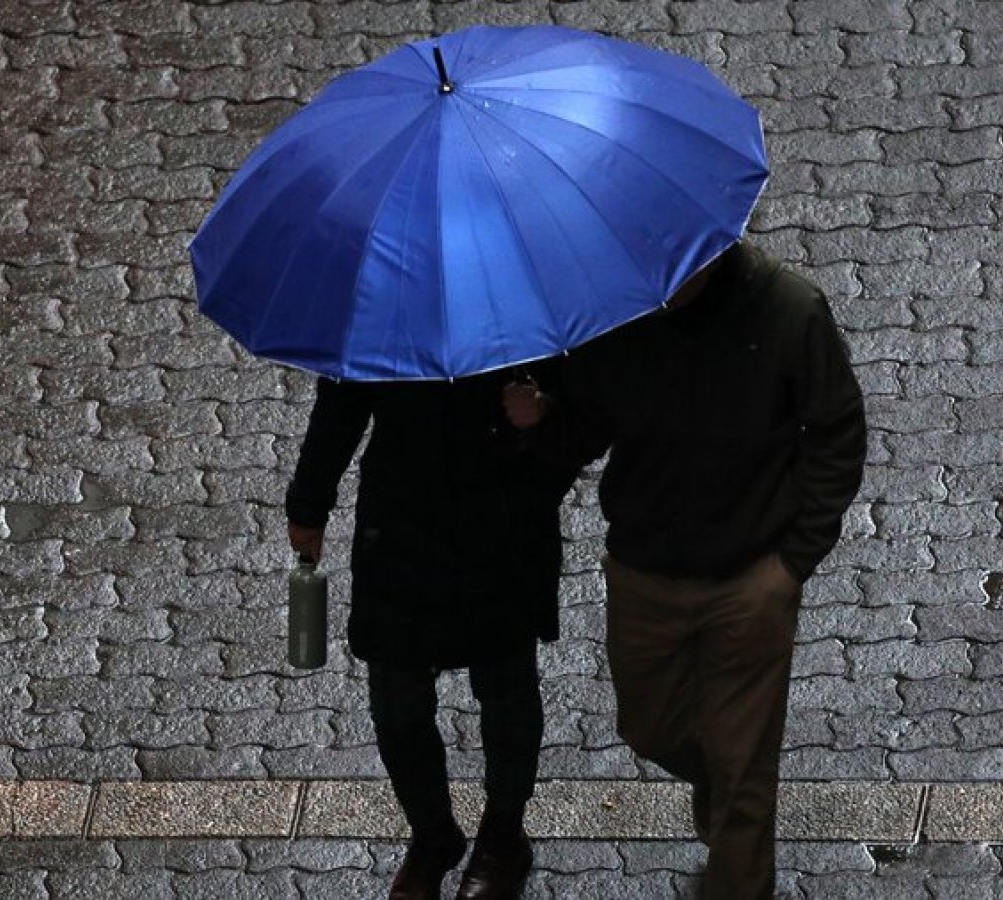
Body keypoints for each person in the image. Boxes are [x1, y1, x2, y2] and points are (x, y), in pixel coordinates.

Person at [503, 240, 868, 900]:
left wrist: (792, 563)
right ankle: (721, 780)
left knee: (745, 775)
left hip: (752, 580)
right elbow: (583, 430)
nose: (663, 276)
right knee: (651, 729)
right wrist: (538, 419)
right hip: (646, 573)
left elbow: (837, 431)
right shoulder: (617, 315)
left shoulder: (788, 311)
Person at [287, 370, 579, 900]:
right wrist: (308, 502)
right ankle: (432, 835)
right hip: (401, 520)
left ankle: (503, 838)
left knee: (507, 687)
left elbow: (588, 404)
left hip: (503, 518)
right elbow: (342, 400)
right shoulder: (378, 302)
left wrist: (544, 412)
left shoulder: (521, 299)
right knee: (396, 700)